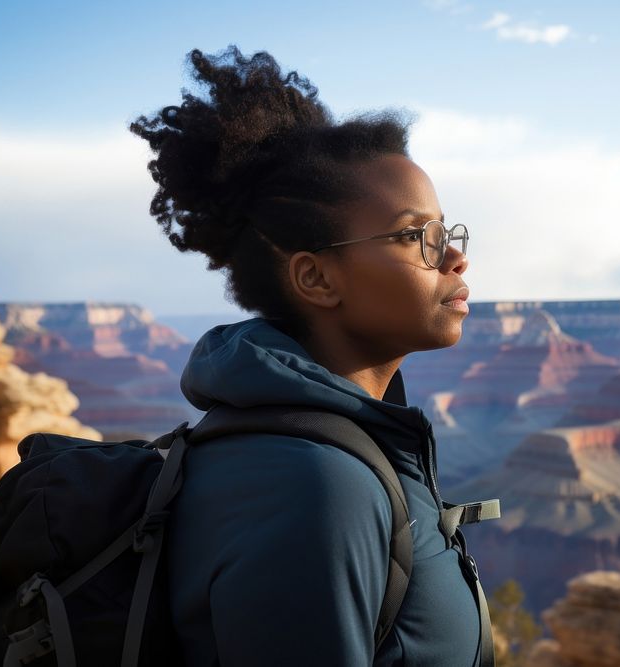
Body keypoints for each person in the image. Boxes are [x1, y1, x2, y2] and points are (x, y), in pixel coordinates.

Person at [129, 46, 482, 666]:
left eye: (444, 231)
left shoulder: (339, 446)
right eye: (412, 236)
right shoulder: (316, 487)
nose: (453, 258)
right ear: (317, 280)